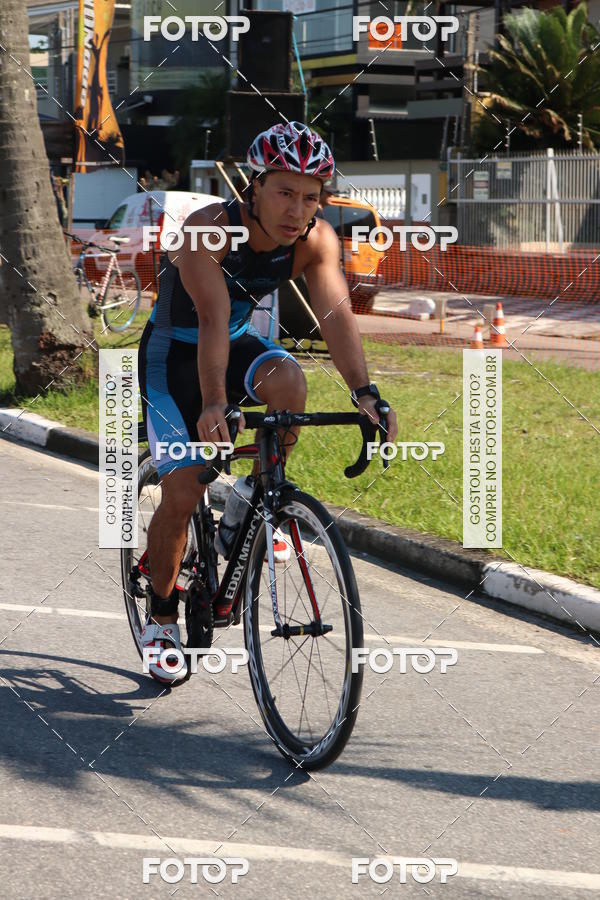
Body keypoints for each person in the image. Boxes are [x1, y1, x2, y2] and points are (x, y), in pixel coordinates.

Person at [138, 121, 398, 684]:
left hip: (233, 343)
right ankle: (160, 615)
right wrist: (213, 403)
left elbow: (336, 316)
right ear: (252, 188)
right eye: (284, 192)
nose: (296, 209)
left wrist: (365, 393)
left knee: (289, 384)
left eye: (310, 196)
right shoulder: (209, 230)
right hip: (173, 354)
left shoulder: (316, 240)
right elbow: (210, 319)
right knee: (183, 490)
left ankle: (251, 501)